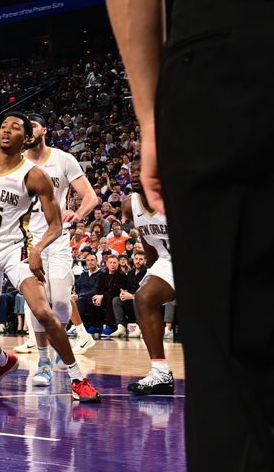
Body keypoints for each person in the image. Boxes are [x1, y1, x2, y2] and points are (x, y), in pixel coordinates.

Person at [103, 0, 274, 468]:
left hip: (232, 2)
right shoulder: (135, 206)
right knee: (146, 297)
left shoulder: (59, 169)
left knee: (232, 381)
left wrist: (150, 115)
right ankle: (157, 365)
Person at [0, 112, 100, 402]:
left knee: (43, 311)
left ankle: (78, 378)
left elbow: (55, 225)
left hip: (16, 249)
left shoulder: (34, 176)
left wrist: (37, 249)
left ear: (25, 138)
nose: (6, 131)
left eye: (14, 128)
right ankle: (2, 362)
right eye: (3, 126)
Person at [14, 113, 100, 378]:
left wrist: (79, 213)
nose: (29, 130)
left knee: (61, 302)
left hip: (57, 239)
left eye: (33, 126)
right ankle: (43, 362)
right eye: (25, 127)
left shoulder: (63, 159)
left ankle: (61, 344)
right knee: (38, 304)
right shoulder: (16, 164)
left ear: (44, 131)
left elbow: (91, 196)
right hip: (27, 242)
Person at [120, 164, 176, 396]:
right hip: (167, 259)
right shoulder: (129, 204)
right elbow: (147, 238)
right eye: (132, 169)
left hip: (199, 256)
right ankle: (160, 372)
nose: (134, 174)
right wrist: (154, 274)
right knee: (144, 298)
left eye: (140, 169)